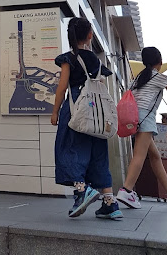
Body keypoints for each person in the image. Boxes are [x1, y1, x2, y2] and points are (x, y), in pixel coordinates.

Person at [51, 17, 123, 220]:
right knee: (99, 156)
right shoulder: (97, 62)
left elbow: (62, 88)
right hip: (97, 114)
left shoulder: (69, 59)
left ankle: (83, 190)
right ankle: (110, 203)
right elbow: (100, 85)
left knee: (69, 148)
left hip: (76, 108)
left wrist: (55, 112)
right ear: (90, 35)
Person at [116, 47, 167, 210]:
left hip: (135, 118)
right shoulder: (159, 77)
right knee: (139, 156)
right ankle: (126, 190)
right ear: (160, 61)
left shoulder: (138, 78)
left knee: (155, 156)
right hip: (145, 119)